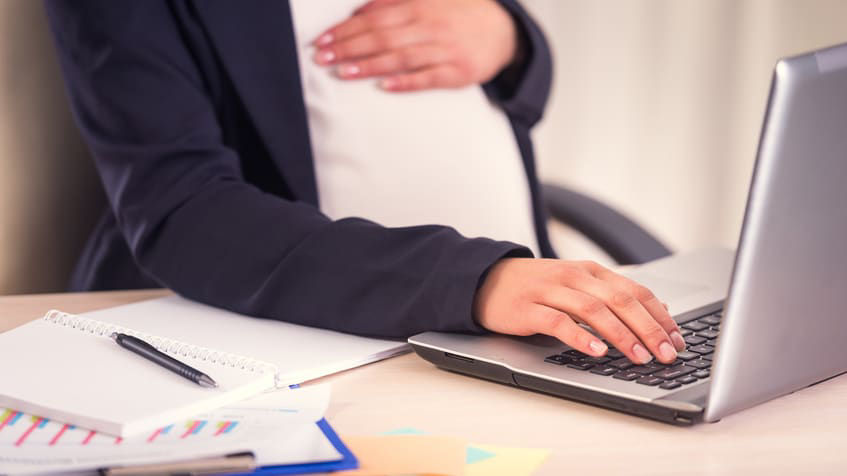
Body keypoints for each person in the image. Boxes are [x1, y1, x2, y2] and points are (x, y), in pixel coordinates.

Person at [45, 0, 685, 366]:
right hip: (318, 346)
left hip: (524, 329)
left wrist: (512, 39)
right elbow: (184, 212)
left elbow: (507, 87)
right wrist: (473, 280)